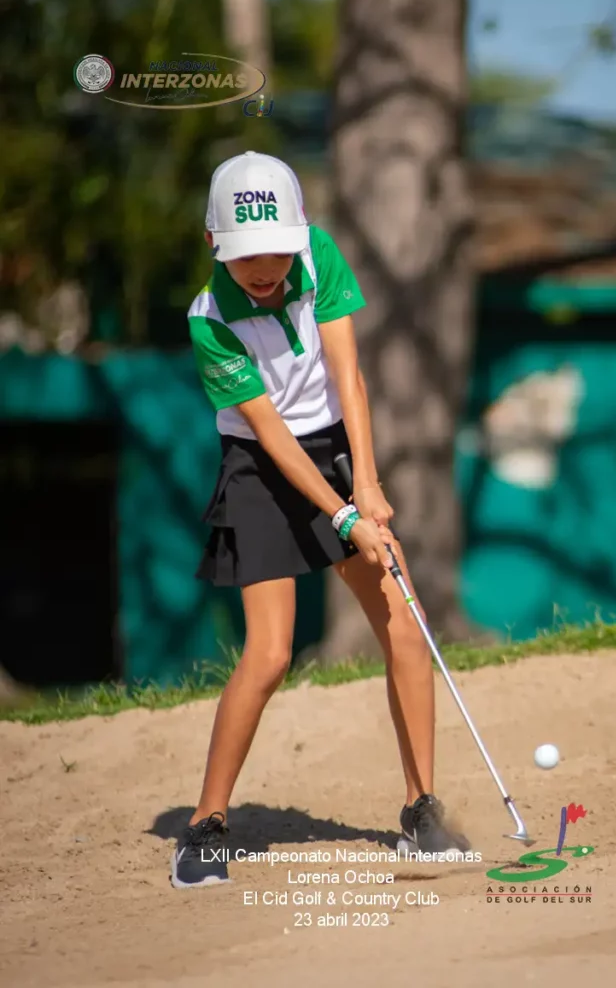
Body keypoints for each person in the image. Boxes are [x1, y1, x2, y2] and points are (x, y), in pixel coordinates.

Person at [172, 151, 465, 889]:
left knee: (404, 622)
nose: (264, 268)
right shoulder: (209, 322)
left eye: (276, 250)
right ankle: (206, 823)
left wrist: (366, 484)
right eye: (246, 256)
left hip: (334, 450)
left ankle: (421, 809)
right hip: (260, 468)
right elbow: (271, 437)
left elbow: (348, 378)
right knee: (270, 654)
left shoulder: (318, 255)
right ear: (213, 245)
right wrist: (344, 518)